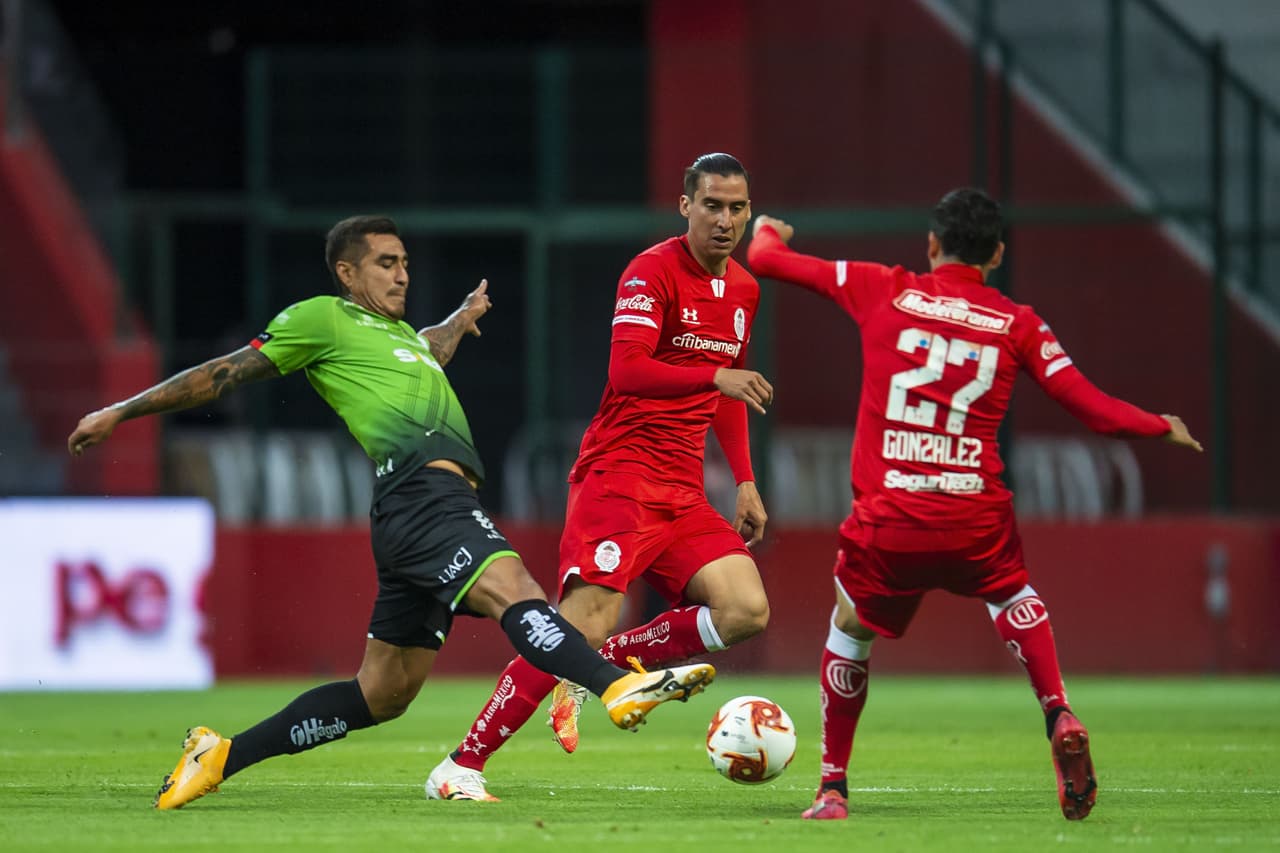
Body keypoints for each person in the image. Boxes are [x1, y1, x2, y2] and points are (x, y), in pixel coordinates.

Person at [66, 215, 717, 810]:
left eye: (404, 262)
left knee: (383, 693)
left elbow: (427, 349)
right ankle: (613, 685)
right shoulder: (322, 318)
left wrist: (460, 318)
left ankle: (220, 755)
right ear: (347, 272)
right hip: (422, 496)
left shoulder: (400, 337)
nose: (402, 273)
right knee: (514, 587)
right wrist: (122, 410)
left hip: (416, 510)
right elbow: (225, 372)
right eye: (385, 263)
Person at [746, 189, 1202, 822]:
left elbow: (766, 261)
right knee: (1012, 593)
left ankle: (832, 789)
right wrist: (1159, 425)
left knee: (849, 630)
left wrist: (769, 231)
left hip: (891, 521)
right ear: (997, 255)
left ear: (932, 244)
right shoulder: (1018, 323)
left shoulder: (882, 288)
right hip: (972, 516)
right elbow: (1095, 410)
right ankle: (1057, 710)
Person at [425, 152, 775, 801]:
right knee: (579, 624)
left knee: (745, 608)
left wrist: (746, 479)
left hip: (683, 489)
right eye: (712, 206)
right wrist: (715, 375)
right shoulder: (651, 271)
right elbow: (628, 370)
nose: (725, 220)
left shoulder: (744, 290)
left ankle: (597, 665)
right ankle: (460, 766)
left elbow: (729, 392)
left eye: (737, 208)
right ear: (686, 206)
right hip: (621, 475)